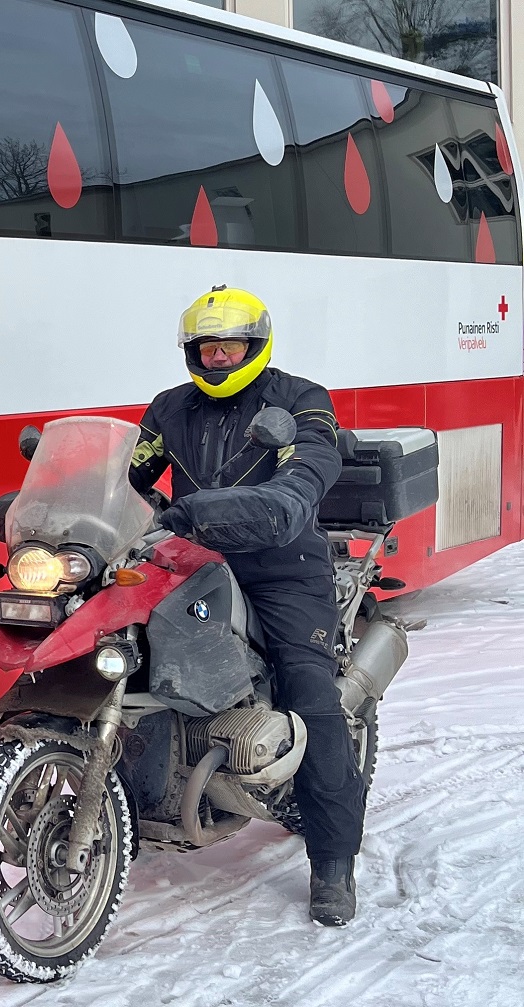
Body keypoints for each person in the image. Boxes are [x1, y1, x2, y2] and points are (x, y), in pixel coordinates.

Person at [128, 285, 365, 927]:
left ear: (256, 347)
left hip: (282, 566)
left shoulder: (301, 401)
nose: (217, 360)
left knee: (309, 690)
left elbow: (308, 468)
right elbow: (130, 470)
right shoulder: (170, 409)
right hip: (191, 560)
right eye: (206, 349)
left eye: (229, 347)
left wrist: (285, 500)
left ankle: (333, 861)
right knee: (124, 655)